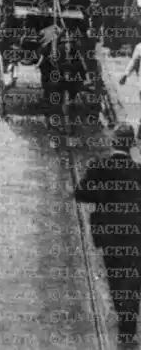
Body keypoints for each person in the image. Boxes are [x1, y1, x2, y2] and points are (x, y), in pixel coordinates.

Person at [74, 123, 141, 345]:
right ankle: (127, 331)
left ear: (113, 143)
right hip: (136, 234)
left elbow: (81, 193)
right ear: (131, 144)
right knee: (132, 281)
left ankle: (124, 318)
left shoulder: (100, 167)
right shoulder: (139, 171)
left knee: (115, 279)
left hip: (109, 234)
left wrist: (104, 195)